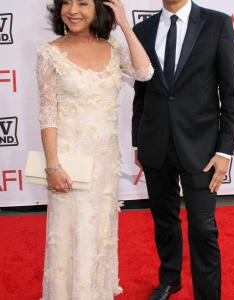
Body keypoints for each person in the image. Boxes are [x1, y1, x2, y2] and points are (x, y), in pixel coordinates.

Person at [36, 0, 153, 299]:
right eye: (67, 3)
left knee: (98, 232)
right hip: (69, 164)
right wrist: (52, 166)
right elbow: (48, 113)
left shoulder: (112, 48)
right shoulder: (50, 53)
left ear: (99, 8)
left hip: (104, 165)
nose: (73, 10)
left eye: (83, 3)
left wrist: (124, 24)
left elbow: (145, 72)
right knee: (71, 236)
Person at [132, 0, 234, 299]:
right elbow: (141, 94)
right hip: (155, 143)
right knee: (163, 218)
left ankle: (207, 294)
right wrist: (138, 141)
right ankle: (170, 279)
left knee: (203, 228)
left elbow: (230, 93)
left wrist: (225, 151)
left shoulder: (217, 23)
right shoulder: (143, 29)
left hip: (202, 148)